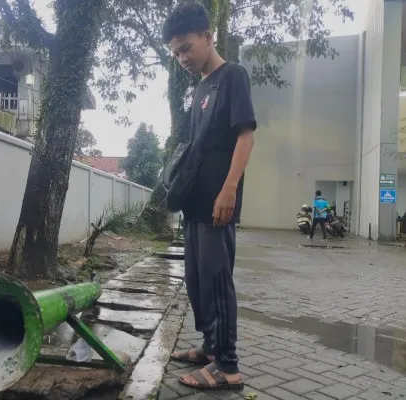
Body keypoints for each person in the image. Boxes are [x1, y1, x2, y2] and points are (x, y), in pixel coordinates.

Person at [163, 1, 256, 392]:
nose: (182, 57)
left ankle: (228, 366)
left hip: (219, 203)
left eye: (185, 47)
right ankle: (209, 347)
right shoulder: (200, 87)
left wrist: (229, 189)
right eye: (175, 53)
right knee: (197, 279)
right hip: (196, 204)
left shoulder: (233, 76)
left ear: (207, 36)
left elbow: (245, 135)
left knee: (217, 280)